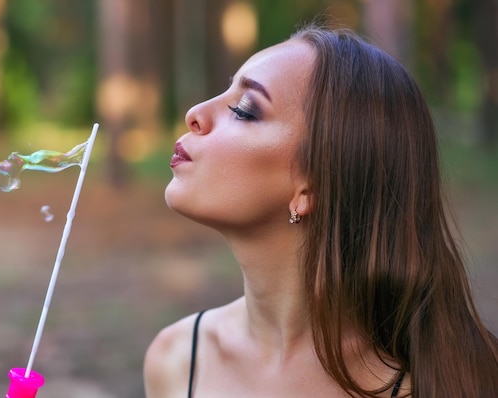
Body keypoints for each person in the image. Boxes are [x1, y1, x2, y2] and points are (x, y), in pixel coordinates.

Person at [143, 24, 498, 398]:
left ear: (312, 186)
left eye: (243, 110)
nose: (195, 114)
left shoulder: (440, 384)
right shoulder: (177, 360)